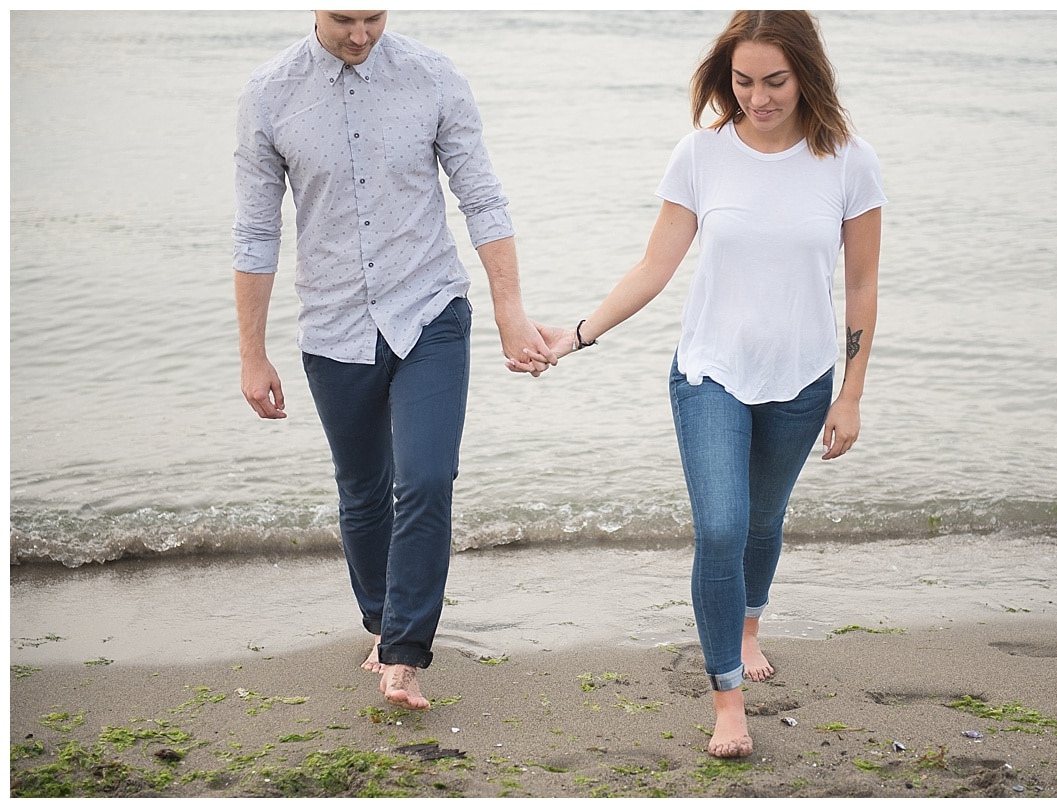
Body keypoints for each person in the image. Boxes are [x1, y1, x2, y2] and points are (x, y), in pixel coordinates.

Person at [527, 10, 885, 757]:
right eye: (744, 81)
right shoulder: (701, 154)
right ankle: (728, 696)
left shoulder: (850, 162)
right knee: (721, 526)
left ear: (807, 75)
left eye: (775, 81)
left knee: (761, 523)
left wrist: (849, 394)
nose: (758, 97)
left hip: (803, 380)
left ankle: (750, 619)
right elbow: (656, 265)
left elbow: (861, 285)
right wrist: (580, 334)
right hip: (710, 373)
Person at [232, 10, 555, 710]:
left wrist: (509, 310)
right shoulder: (269, 94)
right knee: (363, 489)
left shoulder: (433, 77)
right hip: (333, 326)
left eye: (373, 16)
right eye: (344, 19)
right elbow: (257, 231)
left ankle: (405, 654)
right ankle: (381, 623)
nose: (360, 34)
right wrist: (251, 355)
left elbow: (483, 199)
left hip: (430, 310)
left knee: (430, 476)